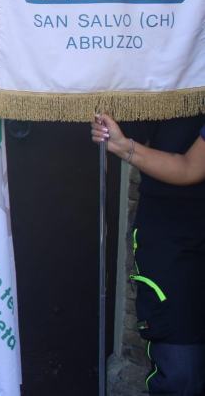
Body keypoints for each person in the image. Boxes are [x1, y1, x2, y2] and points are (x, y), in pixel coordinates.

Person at [92, 113, 205, 395]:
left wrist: (124, 146)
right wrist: (121, 142)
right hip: (176, 237)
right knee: (182, 374)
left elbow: (191, 167)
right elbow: (190, 167)